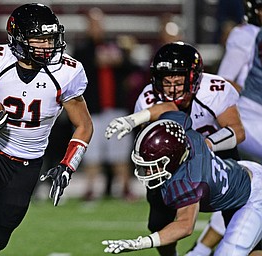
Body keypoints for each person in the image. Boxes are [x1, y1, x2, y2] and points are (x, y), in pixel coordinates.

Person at [0, 3, 93, 256]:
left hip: (24, 163)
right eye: (39, 39)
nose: (47, 45)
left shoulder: (67, 72)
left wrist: (68, 165)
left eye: (50, 38)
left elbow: (84, 125)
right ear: (18, 39)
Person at [105, 41, 245, 255]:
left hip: (217, 153)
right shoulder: (149, 97)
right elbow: (156, 137)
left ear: (194, 78)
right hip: (171, 164)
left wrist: (205, 145)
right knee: (160, 222)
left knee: (239, 221)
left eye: (178, 82)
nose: (172, 89)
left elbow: (237, 131)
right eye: (166, 82)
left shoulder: (214, 89)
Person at [102, 111, 262, 255]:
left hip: (253, 195)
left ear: (171, 159)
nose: (147, 172)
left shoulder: (188, 182)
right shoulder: (180, 132)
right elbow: (170, 109)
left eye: (153, 166)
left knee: (232, 252)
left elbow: (185, 226)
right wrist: (133, 119)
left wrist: (141, 243)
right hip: (238, 173)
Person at [186, 1, 262, 255]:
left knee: (252, 192)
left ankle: (203, 248)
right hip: (248, 116)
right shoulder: (246, 34)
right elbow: (226, 81)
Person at [73, 7, 138, 201]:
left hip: (116, 107)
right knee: (92, 152)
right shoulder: (82, 49)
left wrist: (118, 60)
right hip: (94, 108)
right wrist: (96, 61)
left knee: (119, 152)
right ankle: (90, 188)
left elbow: (132, 67)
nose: (96, 28)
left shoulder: (114, 46)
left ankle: (125, 188)